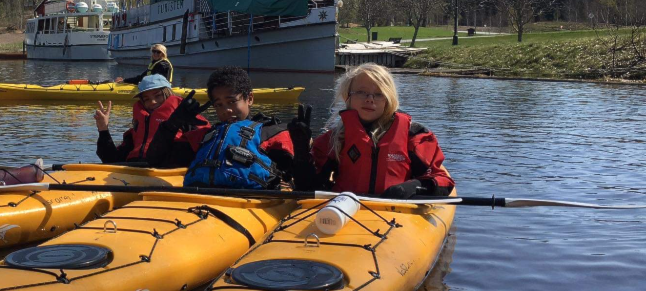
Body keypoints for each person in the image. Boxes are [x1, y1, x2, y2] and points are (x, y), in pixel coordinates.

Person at [291, 63, 454, 198]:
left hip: (397, 212)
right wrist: (301, 153)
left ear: (388, 99)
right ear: (348, 97)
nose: (370, 99)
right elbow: (307, 188)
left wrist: (412, 187)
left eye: (378, 94)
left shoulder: (414, 136)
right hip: (344, 210)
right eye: (361, 92)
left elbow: (442, 181)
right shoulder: (333, 139)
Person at [145, 67, 296, 189]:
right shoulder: (204, 137)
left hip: (250, 203)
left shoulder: (269, 133)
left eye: (231, 102)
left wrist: (301, 148)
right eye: (218, 105)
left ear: (249, 99)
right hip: (200, 199)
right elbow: (155, 160)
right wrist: (172, 124)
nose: (226, 110)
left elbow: (300, 179)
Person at [94, 74, 209, 167]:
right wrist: (103, 130)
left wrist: (173, 124)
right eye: (146, 99)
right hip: (134, 175)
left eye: (158, 96)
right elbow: (111, 161)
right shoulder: (136, 132)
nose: (152, 102)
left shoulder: (187, 119)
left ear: (168, 94)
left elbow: (205, 149)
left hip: (168, 175)